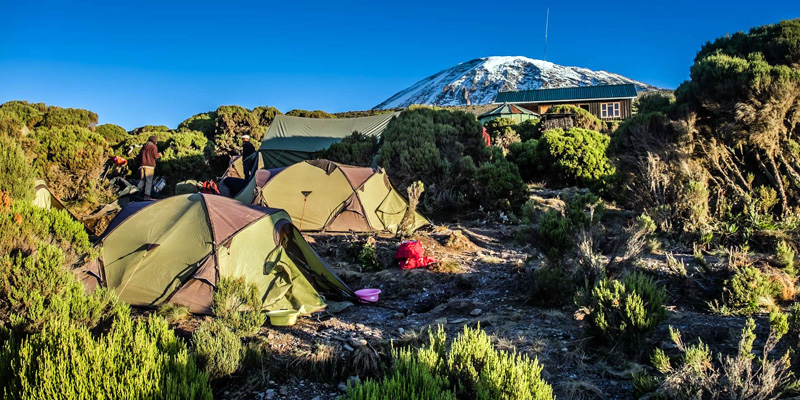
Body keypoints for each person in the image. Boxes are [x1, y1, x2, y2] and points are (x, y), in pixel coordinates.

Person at [136, 135, 161, 200]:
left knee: (142, 180)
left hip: (142, 166)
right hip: (149, 166)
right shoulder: (153, 147)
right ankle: (147, 196)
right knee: (149, 181)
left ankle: (135, 191)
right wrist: (159, 155)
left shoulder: (144, 147)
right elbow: (155, 156)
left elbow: (139, 156)